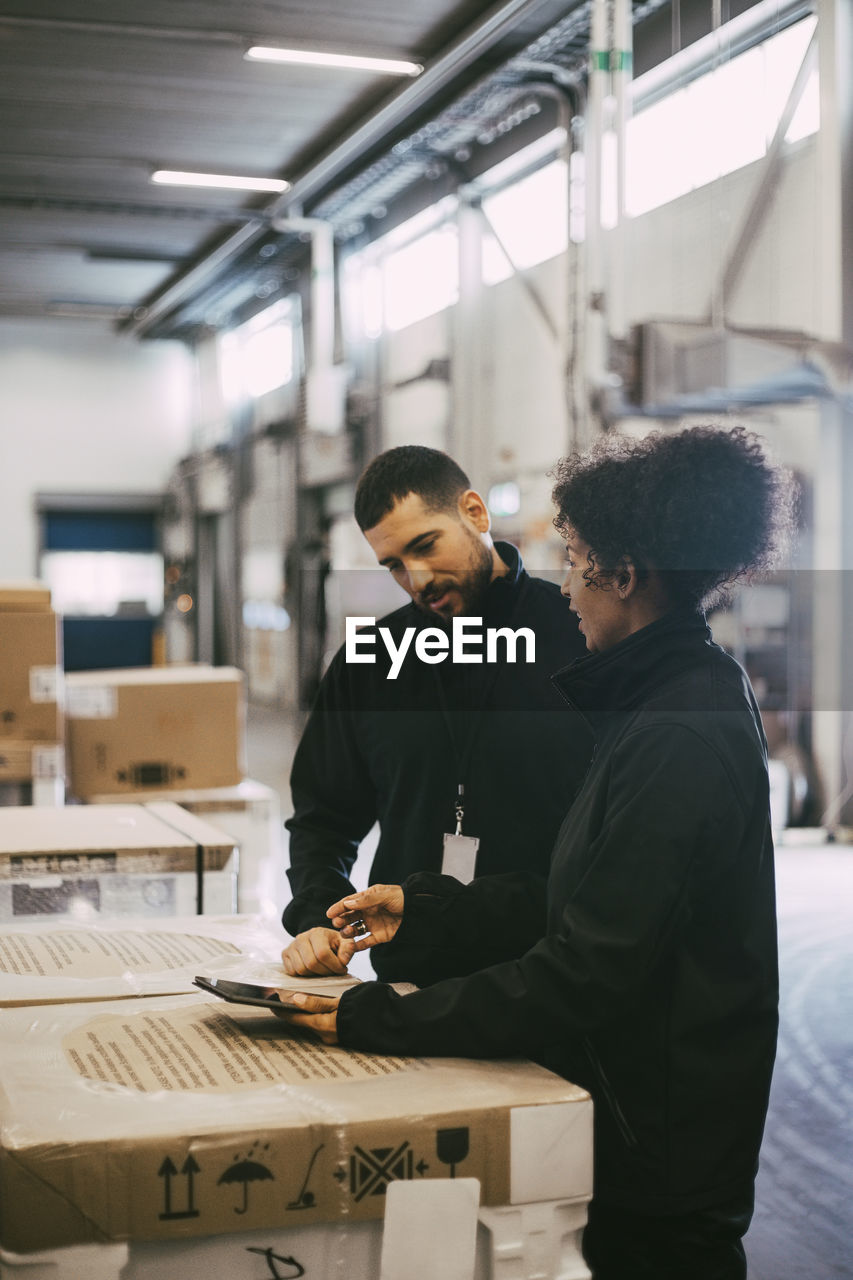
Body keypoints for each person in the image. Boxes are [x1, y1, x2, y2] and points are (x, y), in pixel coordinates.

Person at [276, 425, 796, 1280]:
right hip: (520, 1032)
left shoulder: (662, 718)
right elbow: (583, 895)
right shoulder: (645, 696)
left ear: (621, 575)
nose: (568, 590)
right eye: (389, 564)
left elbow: (589, 961)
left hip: (623, 1101)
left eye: (579, 563)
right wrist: (419, 906)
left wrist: (374, 1020)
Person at [281, 445, 592, 980]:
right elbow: (323, 819)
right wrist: (320, 917)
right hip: (412, 978)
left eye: (426, 546)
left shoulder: (578, 637)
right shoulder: (371, 661)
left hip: (551, 976)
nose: (418, 579)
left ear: (475, 512)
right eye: (395, 565)